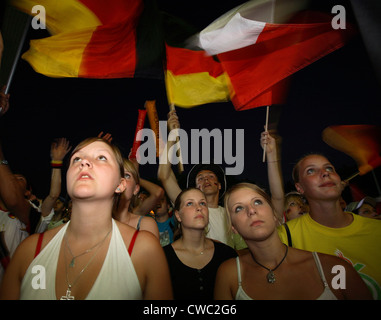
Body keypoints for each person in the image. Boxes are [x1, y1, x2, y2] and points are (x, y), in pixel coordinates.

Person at [0, 137, 172, 299]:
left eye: (102, 158)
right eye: (76, 159)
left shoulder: (144, 250)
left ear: (120, 185)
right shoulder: (30, 251)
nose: (83, 162)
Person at [215, 182, 372, 300]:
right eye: (238, 208)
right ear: (233, 227)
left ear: (275, 214)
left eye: (257, 202)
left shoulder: (334, 270)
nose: (251, 210)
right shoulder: (230, 275)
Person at [277, 153, 381, 299]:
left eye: (330, 168)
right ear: (300, 188)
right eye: (311, 171)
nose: (325, 173)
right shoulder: (286, 236)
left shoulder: (377, 230)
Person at [163, 187, 237, 300]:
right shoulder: (162, 258)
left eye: (202, 203)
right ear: (178, 215)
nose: (199, 208)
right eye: (189, 204)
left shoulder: (227, 255)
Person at [113, 158, 160, 239]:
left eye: (127, 175)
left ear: (136, 189)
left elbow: (158, 192)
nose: (120, 180)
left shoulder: (145, 226)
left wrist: (137, 176)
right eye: (115, 174)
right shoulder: (91, 223)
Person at [35, 138, 72, 233]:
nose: (55, 203)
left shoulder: (68, 224)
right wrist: (56, 161)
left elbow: (54, 195)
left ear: (64, 207)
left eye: (59, 202)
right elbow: (53, 196)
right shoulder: (46, 217)